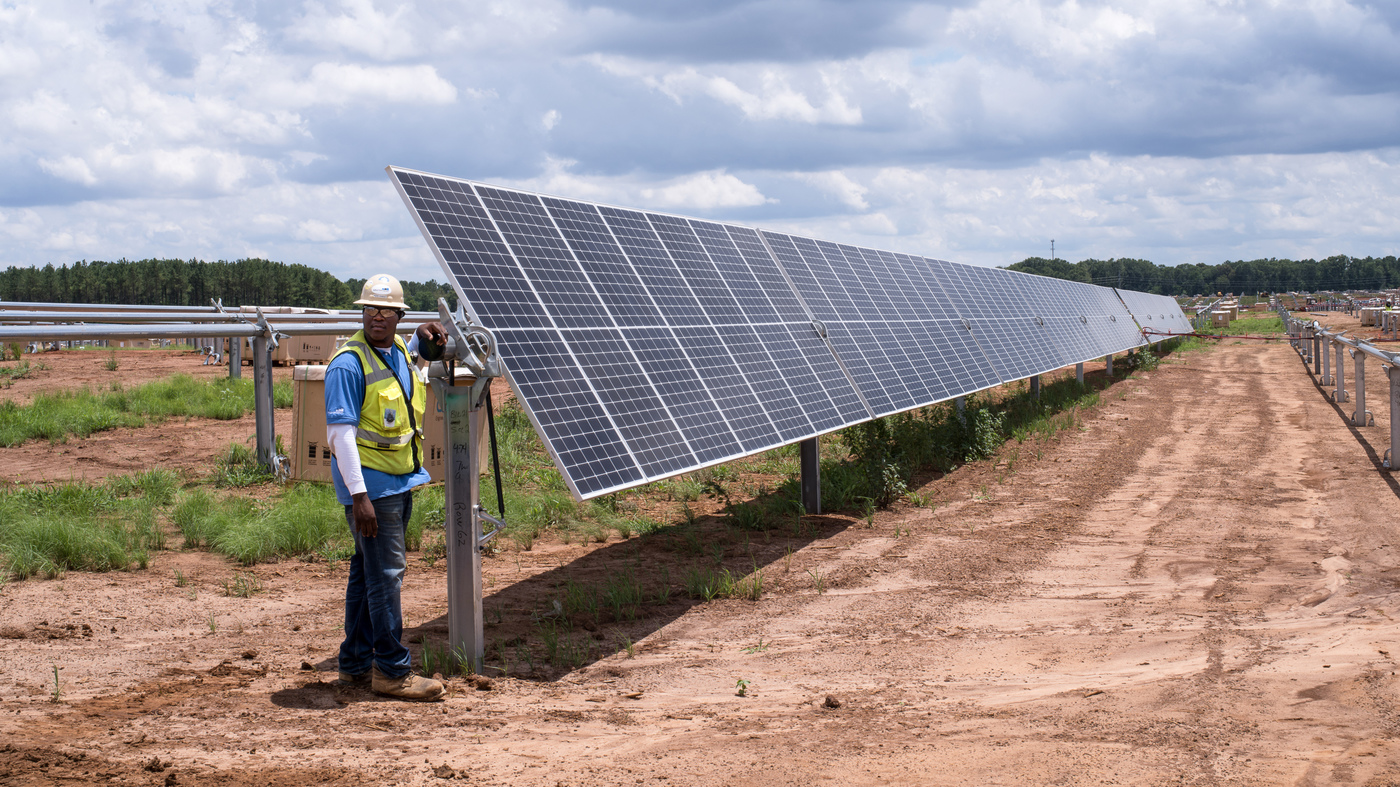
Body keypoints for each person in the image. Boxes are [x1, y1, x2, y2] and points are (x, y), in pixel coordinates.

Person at [325, 273, 448, 701]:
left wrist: (421, 337)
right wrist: (360, 497)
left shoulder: (395, 350)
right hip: (372, 488)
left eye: (386, 311)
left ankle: (355, 663)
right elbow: (340, 437)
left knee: (366, 574)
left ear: (399, 316)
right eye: (370, 310)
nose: (377, 318)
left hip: (399, 479)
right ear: (362, 313)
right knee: (386, 578)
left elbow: (409, 360)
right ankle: (392, 670)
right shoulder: (347, 363)